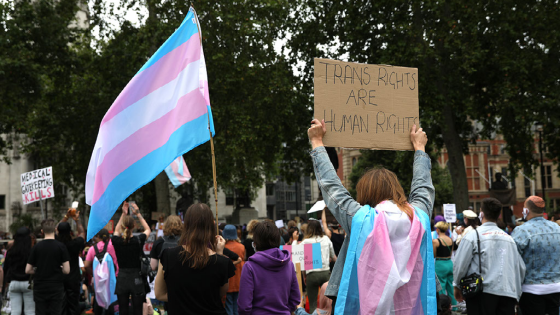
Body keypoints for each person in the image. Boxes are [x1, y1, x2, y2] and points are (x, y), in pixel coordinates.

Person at [308, 119, 435, 313]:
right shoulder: (419, 218)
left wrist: (317, 142)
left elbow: (332, 188)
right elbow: (423, 187)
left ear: (365, 195)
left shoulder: (361, 220)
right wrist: (420, 148)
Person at [154, 203, 234, 314]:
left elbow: (159, 294)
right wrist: (219, 254)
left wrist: (182, 299)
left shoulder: (168, 256)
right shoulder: (222, 261)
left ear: (186, 225)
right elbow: (220, 293)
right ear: (211, 226)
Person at [453, 198, 526, 315]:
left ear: (481, 213)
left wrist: (456, 285)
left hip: (481, 293)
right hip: (506, 293)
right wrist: (517, 293)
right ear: (499, 215)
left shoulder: (473, 236)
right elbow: (520, 268)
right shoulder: (509, 239)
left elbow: (460, 264)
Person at [238, 221, 300, 315]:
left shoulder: (249, 267)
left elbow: (244, 306)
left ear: (256, 242)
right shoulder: (289, 264)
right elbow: (295, 298)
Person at [512, 196, 560, 315]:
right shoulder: (557, 228)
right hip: (556, 287)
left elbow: (512, 260)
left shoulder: (522, 231)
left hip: (531, 289)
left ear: (526, 211)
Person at [112, 201, 151, 315]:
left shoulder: (117, 241)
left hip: (122, 277)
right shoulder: (138, 240)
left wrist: (123, 214)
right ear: (134, 226)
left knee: (123, 310)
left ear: (123, 226)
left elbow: (116, 231)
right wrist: (138, 214)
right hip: (136, 278)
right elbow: (148, 229)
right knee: (138, 310)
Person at [26, 219, 71, 315]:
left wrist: (38, 271)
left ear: (42, 231)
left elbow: (27, 270)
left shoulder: (36, 247)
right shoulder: (61, 246)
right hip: (56, 285)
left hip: (40, 286)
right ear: (55, 230)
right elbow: (67, 270)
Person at [300, 220, 336, 313]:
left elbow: (303, 261)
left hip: (311, 274)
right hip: (325, 273)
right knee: (328, 303)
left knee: (312, 303)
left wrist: (304, 275)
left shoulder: (305, 242)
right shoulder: (326, 239)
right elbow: (333, 256)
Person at [57, 208, 86, 315]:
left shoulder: (55, 244)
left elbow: (56, 228)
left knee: (61, 305)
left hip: (59, 278)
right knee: (73, 304)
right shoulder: (75, 243)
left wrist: (66, 217)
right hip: (73, 278)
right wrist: (77, 220)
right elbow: (82, 233)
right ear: (70, 232)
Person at [84, 228, 119, 315]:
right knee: (112, 301)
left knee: (98, 299)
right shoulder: (114, 246)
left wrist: (93, 274)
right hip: (113, 278)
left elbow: (86, 265)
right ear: (108, 237)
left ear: (97, 237)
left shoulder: (92, 249)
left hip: (98, 280)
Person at [3, 227, 34, 315]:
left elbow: (6, 268)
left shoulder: (10, 252)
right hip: (28, 283)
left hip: (14, 282)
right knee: (30, 311)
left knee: (15, 311)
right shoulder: (31, 251)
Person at [432, 221, 456, 305]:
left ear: (437, 230)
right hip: (449, 263)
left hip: (440, 264)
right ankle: (454, 306)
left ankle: (442, 306)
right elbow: (451, 253)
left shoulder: (435, 241)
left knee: (441, 287)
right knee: (451, 286)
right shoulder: (450, 239)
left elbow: (433, 255)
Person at [223, 225, 245, 315]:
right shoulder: (241, 247)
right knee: (237, 306)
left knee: (228, 306)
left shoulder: (223, 248)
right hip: (239, 280)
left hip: (228, 281)